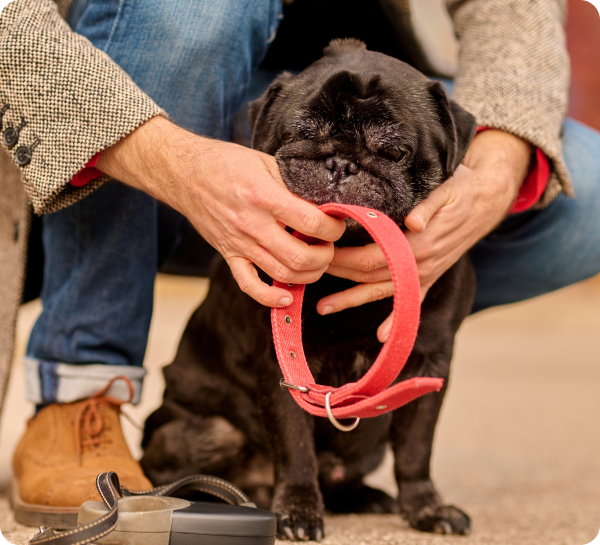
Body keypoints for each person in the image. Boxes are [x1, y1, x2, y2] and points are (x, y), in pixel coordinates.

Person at [2, 0, 599, 528]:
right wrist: (173, 162)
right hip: (140, 109)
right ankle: (80, 386)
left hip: (359, 101)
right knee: (190, 9)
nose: (342, 169)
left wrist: (496, 173)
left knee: (588, 187)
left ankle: (370, 373)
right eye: (320, 147)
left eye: (385, 152)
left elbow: (516, 9)